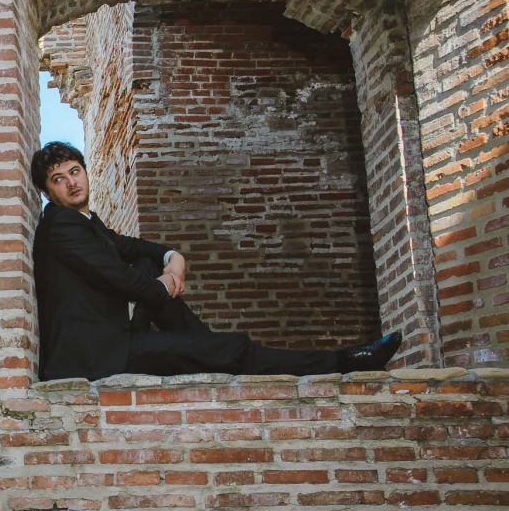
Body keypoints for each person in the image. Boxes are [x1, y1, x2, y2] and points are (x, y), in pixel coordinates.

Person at [30, 141, 402, 382]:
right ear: (49, 193)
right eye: (59, 179)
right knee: (230, 346)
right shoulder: (60, 224)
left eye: (75, 171)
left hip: (109, 338)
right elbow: (118, 278)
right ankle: (341, 362)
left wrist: (172, 257)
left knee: (148, 266)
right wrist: (164, 283)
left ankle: (211, 350)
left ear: (84, 171)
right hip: (93, 355)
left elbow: (130, 248)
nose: (72, 183)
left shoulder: (85, 222)